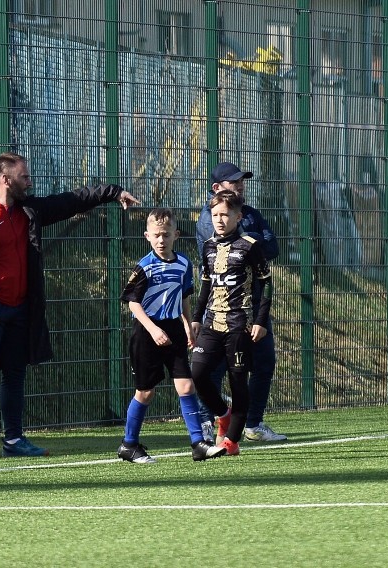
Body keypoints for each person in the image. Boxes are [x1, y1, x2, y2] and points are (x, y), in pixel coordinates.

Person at [0, 152, 139, 458]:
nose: (30, 181)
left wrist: (112, 192)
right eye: (24, 176)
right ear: (5, 179)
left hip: (21, 310)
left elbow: (71, 200)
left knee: (15, 376)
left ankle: (13, 439)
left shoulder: (30, 211)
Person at [117, 208, 226, 464]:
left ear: (175, 234)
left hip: (174, 330)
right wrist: (153, 330)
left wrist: (188, 325)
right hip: (147, 332)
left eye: (166, 235)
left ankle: (198, 443)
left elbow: (184, 297)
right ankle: (128, 445)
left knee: (186, 386)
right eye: (156, 235)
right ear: (147, 236)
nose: (161, 240)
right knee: (145, 392)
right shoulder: (145, 267)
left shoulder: (184, 264)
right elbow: (132, 303)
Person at [195, 162, 287, 442]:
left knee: (263, 364)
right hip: (223, 313)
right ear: (217, 188)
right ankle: (207, 422)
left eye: (242, 181)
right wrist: (252, 242)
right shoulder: (207, 219)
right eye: (234, 182)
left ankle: (252, 425)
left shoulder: (252, 214)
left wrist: (250, 240)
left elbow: (272, 247)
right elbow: (214, 257)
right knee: (211, 370)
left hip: (255, 308)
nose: (240, 185)